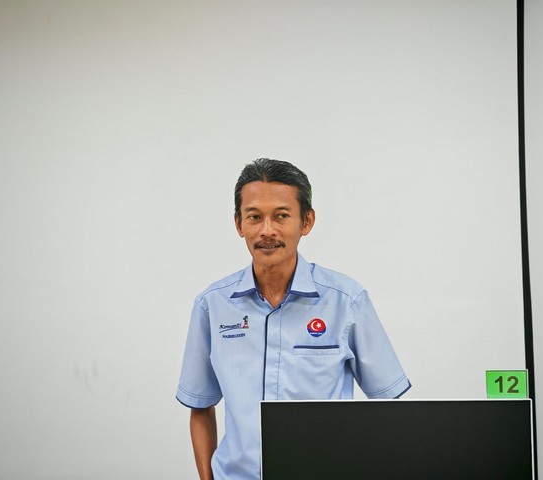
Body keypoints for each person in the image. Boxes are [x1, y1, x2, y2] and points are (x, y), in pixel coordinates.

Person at [176, 158, 411, 480]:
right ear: (239, 224)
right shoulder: (212, 305)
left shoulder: (346, 301)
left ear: (306, 221)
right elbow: (200, 406)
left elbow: (388, 405)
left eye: (281, 216)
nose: (267, 230)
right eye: (254, 217)